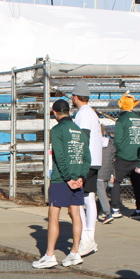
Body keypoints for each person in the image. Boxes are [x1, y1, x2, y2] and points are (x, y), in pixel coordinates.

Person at [32, 99, 91, 268]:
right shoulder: (80, 131)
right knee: (76, 214)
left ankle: (49, 255)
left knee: (53, 215)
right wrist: (81, 176)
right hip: (78, 178)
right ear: (69, 112)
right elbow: (87, 157)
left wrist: (68, 178)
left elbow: (59, 156)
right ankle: (75, 252)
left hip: (61, 179)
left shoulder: (57, 129)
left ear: (55, 113)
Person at [72, 82, 103, 256]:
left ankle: (86, 238)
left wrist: (78, 161)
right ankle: (90, 237)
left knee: (78, 199)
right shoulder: (92, 112)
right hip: (95, 159)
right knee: (89, 198)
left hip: (86, 160)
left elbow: (83, 138)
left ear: (76, 97)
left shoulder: (83, 113)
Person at [110, 93, 140, 219]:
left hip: (123, 156)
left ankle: (115, 209)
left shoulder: (121, 120)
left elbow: (117, 140)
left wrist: (116, 153)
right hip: (137, 157)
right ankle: (139, 210)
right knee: (137, 183)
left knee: (116, 182)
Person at [96, 122, 116, 223]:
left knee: (101, 193)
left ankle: (108, 213)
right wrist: (113, 174)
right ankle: (98, 212)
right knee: (101, 192)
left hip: (99, 171)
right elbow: (112, 160)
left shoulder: (95, 144)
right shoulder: (110, 144)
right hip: (107, 172)